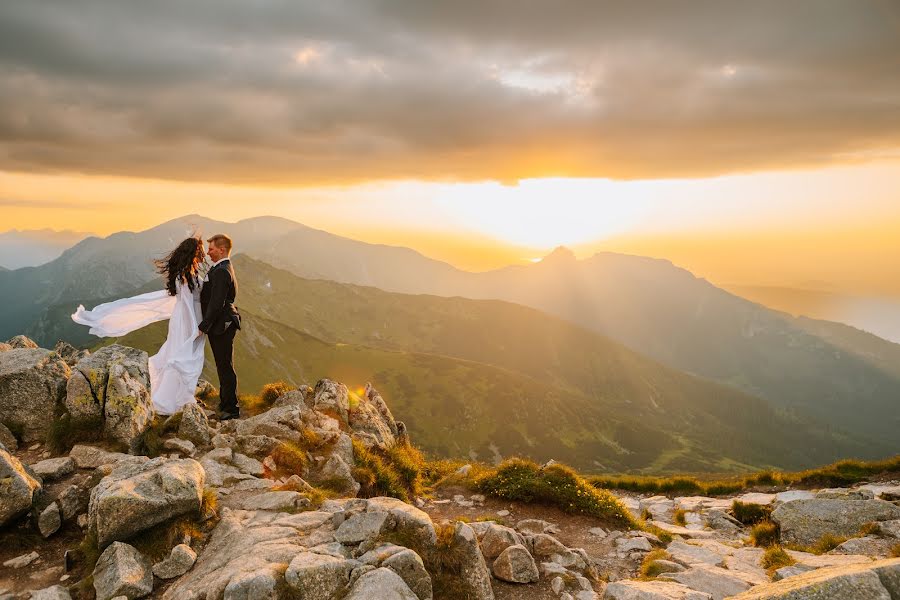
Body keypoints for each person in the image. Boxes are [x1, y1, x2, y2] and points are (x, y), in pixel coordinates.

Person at [71, 236, 207, 415]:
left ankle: (180, 397)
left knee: (179, 355)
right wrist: (195, 328)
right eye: (202, 250)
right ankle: (174, 399)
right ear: (195, 253)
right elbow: (187, 303)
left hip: (184, 319)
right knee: (183, 356)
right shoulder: (185, 275)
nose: (204, 254)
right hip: (186, 321)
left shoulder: (186, 272)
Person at [199, 234, 242, 420]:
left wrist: (204, 325)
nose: (208, 252)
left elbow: (216, 303)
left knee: (225, 366)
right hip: (221, 323)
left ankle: (231, 409)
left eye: (211, 249)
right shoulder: (220, 268)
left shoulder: (222, 271)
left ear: (222, 250)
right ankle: (226, 403)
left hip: (222, 325)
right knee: (223, 365)